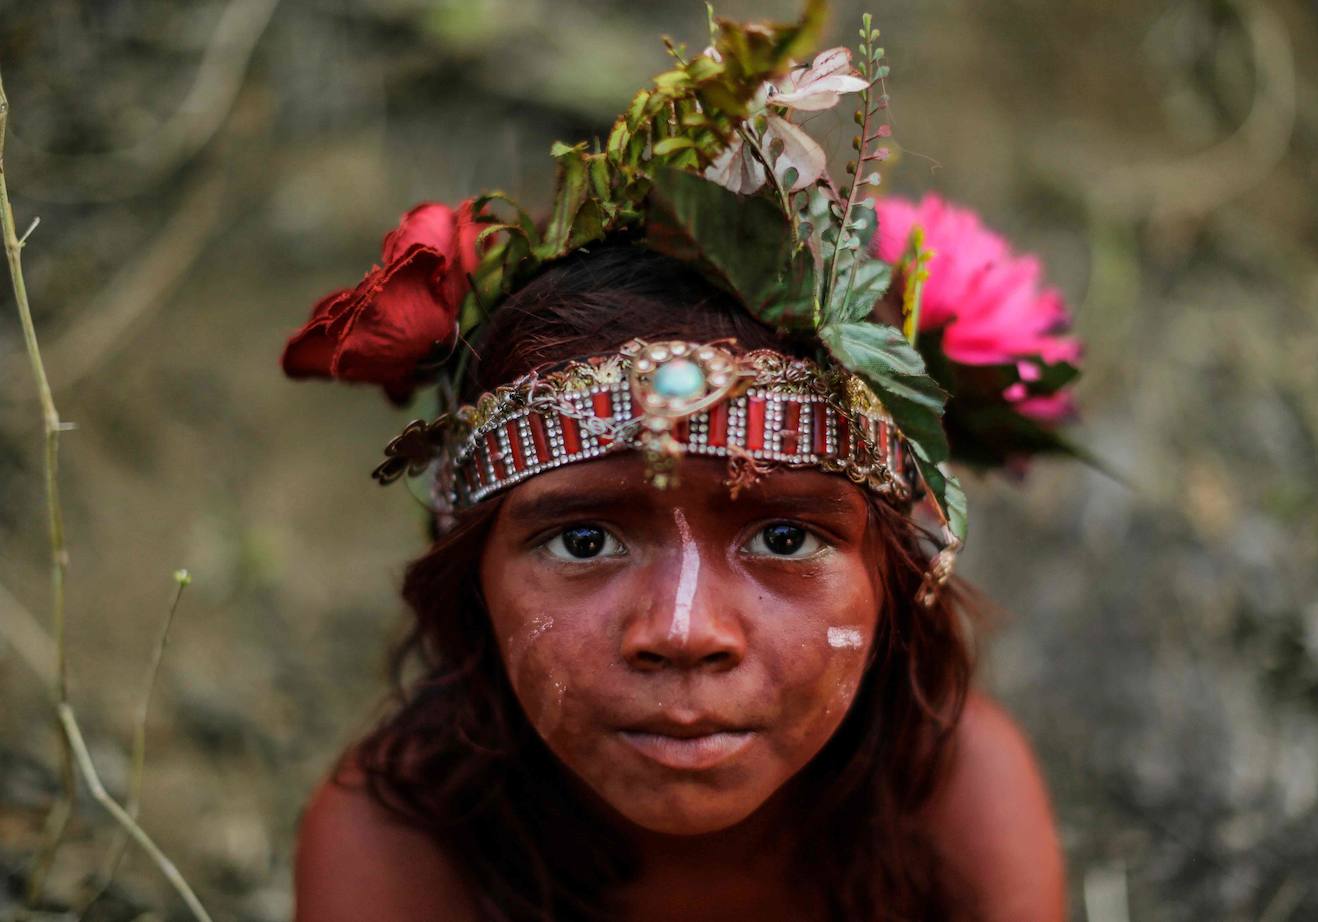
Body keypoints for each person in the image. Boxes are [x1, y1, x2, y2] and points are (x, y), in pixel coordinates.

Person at [281, 5, 1078, 919]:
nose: (684, 629)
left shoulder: (962, 806)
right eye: (583, 540)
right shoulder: (395, 852)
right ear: (472, 580)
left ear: (898, 572)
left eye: (784, 534)